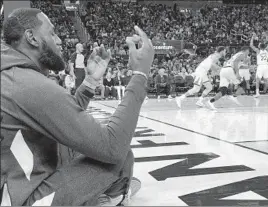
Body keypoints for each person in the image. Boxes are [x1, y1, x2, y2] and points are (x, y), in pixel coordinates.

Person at [1, 8, 154, 206]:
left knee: (84, 139)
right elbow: (113, 147)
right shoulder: (27, 84)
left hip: (16, 183)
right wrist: (140, 75)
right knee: (119, 157)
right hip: (24, 200)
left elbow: (58, 116)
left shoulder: (12, 75)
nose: (59, 40)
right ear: (32, 37)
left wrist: (90, 81)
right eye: (52, 32)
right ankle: (106, 199)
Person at [250, 33, 268, 98]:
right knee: (266, 80)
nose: (258, 44)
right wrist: (266, 35)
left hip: (260, 66)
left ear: (260, 46)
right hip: (266, 66)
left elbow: (251, 45)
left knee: (257, 80)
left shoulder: (258, 51)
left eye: (259, 44)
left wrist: (252, 37)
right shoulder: (267, 50)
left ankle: (257, 93)